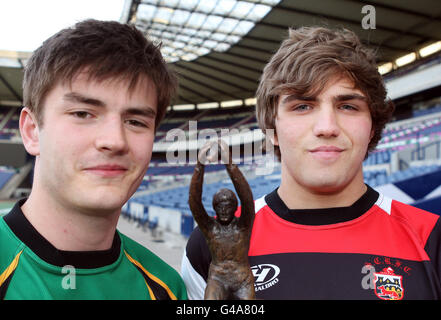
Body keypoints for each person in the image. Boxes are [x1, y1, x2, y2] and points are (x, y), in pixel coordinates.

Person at [181, 26, 441, 300]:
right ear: (273, 128)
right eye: (303, 106)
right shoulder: (205, 250)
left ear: (373, 127)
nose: (327, 127)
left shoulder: (432, 240)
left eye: (348, 106)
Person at [0, 19, 187, 300]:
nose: (115, 141)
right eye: (83, 113)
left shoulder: (167, 288)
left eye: (135, 121)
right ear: (31, 131)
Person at [188, 140, 255, 300]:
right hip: (217, 278)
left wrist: (229, 163)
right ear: (214, 208)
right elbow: (194, 201)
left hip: (242, 279)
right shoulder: (210, 228)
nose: (224, 210)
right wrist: (199, 166)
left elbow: (246, 197)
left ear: (235, 207)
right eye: (220, 206)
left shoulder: (243, 226)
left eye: (228, 206)